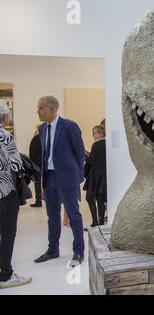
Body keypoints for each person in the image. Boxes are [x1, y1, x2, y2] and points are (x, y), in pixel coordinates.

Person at [33, 96, 86, 267]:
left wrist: (77, 176)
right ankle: (53, 249)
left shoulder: (69, 126)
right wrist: (42, 179)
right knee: (52, 216)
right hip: (49, 177)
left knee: (73, 215)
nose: (38, 111)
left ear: (52, 109)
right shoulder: (42, 129)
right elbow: (44, 156)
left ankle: (78, 251)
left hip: (67, 178)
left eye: (41, 108)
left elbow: (80, 153)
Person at [0, 103, 32, 288]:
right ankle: (6, 274)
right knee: (8, 232)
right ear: (4, 118)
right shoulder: (5, 136)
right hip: (6, 191)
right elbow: (15, 165)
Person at [83, 125, 107, 227]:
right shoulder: (106, 144)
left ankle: (95, 221)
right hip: (103, 174)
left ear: (100, 133)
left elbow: (92, 160)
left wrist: (85, 155)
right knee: (100, 199)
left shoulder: (96, 145)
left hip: (95, 175)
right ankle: (101, 221)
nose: (93, 135)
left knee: (89, 198)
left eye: (94, 133)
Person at [29, 123, 42, 207]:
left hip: (37, 164)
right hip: (47, 164)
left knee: (37, 182)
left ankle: (38, 201)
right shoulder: (48, 139)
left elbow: (32, 152)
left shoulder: (36, 139)